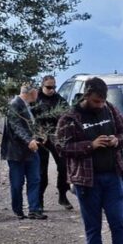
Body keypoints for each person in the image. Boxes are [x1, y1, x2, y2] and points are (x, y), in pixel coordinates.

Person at [56, 77, 123, 244]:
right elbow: (62, 147)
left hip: (113, 176)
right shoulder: (70, 117)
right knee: (93, 227)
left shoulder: (110, 110)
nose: (100, 105)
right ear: (86, 96)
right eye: (96, 102)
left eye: (102, 101)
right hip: (87, 181)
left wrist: (116, 141)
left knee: (118, 223)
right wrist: (90, 145)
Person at [1, 84, 46, 220]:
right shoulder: (15, 105)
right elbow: (16, 127)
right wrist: (29, 140)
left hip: (30, 151)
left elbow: (30, 125)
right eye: (36, 92)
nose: (38, 94)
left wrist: (39, 136)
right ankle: (18, 209)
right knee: (17, 182)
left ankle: (34, 209)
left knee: (35, 180)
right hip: (16, 152)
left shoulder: (27, 105)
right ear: (31, 92)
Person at [32, 75, 72, 209]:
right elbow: (29, 117)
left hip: (56, 137)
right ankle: (39, 200)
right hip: (40, 138)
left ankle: (62, 194)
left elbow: (68, 114)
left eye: (54, 87)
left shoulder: (58, 99)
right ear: (42, 86)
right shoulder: (35, 99)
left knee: (63, 166)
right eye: (49, 87)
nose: (52, 90)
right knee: (41, 171)